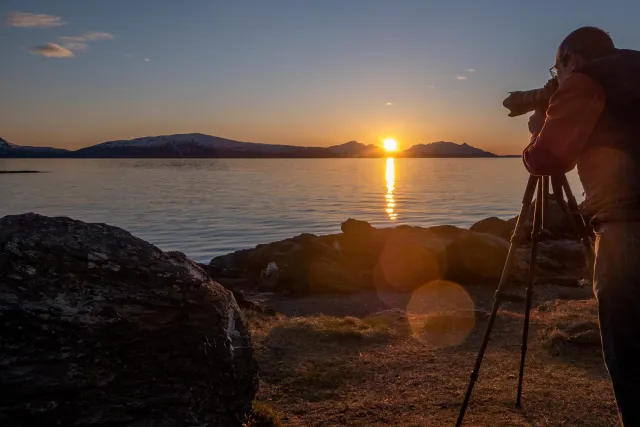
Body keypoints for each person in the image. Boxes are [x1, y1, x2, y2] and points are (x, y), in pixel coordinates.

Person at [523, 26, 640, 425]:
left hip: (627, 227)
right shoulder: (633, 71)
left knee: (629, 350)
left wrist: (539, 127)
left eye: (557, 69)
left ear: (572, 59)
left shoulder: (587, 80)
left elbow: (548, 159)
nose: (556, 77)